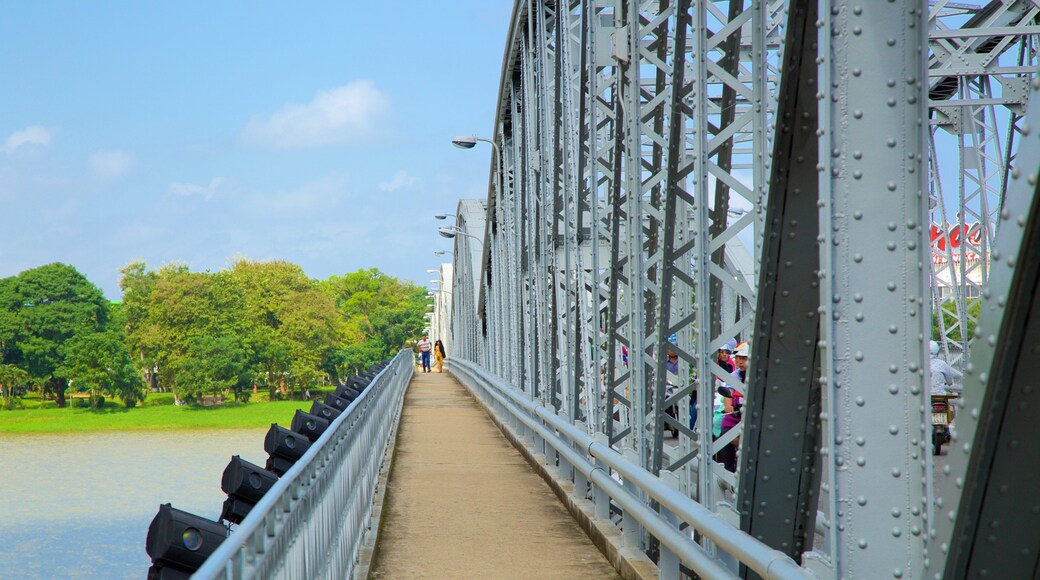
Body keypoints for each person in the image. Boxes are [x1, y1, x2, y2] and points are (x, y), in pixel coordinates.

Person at [716, 340, 748, 473]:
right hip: (737, 413)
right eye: (738, 358)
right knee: (723, 433)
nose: (740, 361)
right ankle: (726, 472)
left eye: (744, 358)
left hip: (755, 415)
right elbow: (728, 393)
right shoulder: (736, 375)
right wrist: (728, 406)